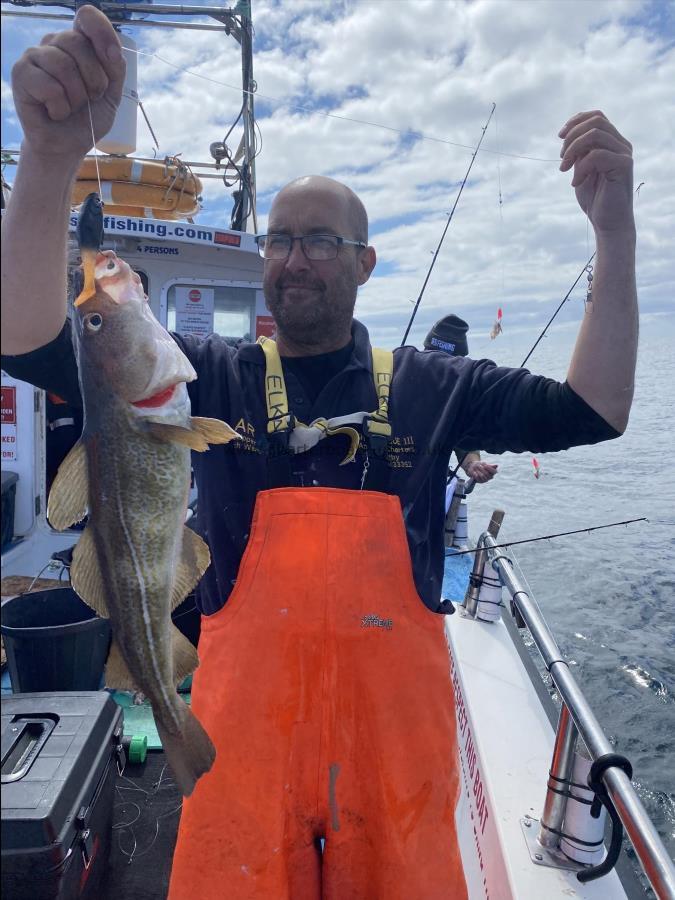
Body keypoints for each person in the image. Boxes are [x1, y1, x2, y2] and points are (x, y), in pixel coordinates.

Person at [1, 8, 638, 899]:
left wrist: (613, 233)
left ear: (367, 263)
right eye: (280, 240)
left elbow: (592, 410)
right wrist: (48, 159)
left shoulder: (431, 386)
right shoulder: (205, 379)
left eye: (319, 240)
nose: (294, 258)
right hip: (239, 747)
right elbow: (26, 342)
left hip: (396, 763)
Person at [423, 314, 499, 484]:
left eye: (449, 364)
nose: (440, 368)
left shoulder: (457, 399)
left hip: (430, 486)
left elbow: (464, 442)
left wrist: (472, 464)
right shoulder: (394, 379)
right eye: (433, 358)